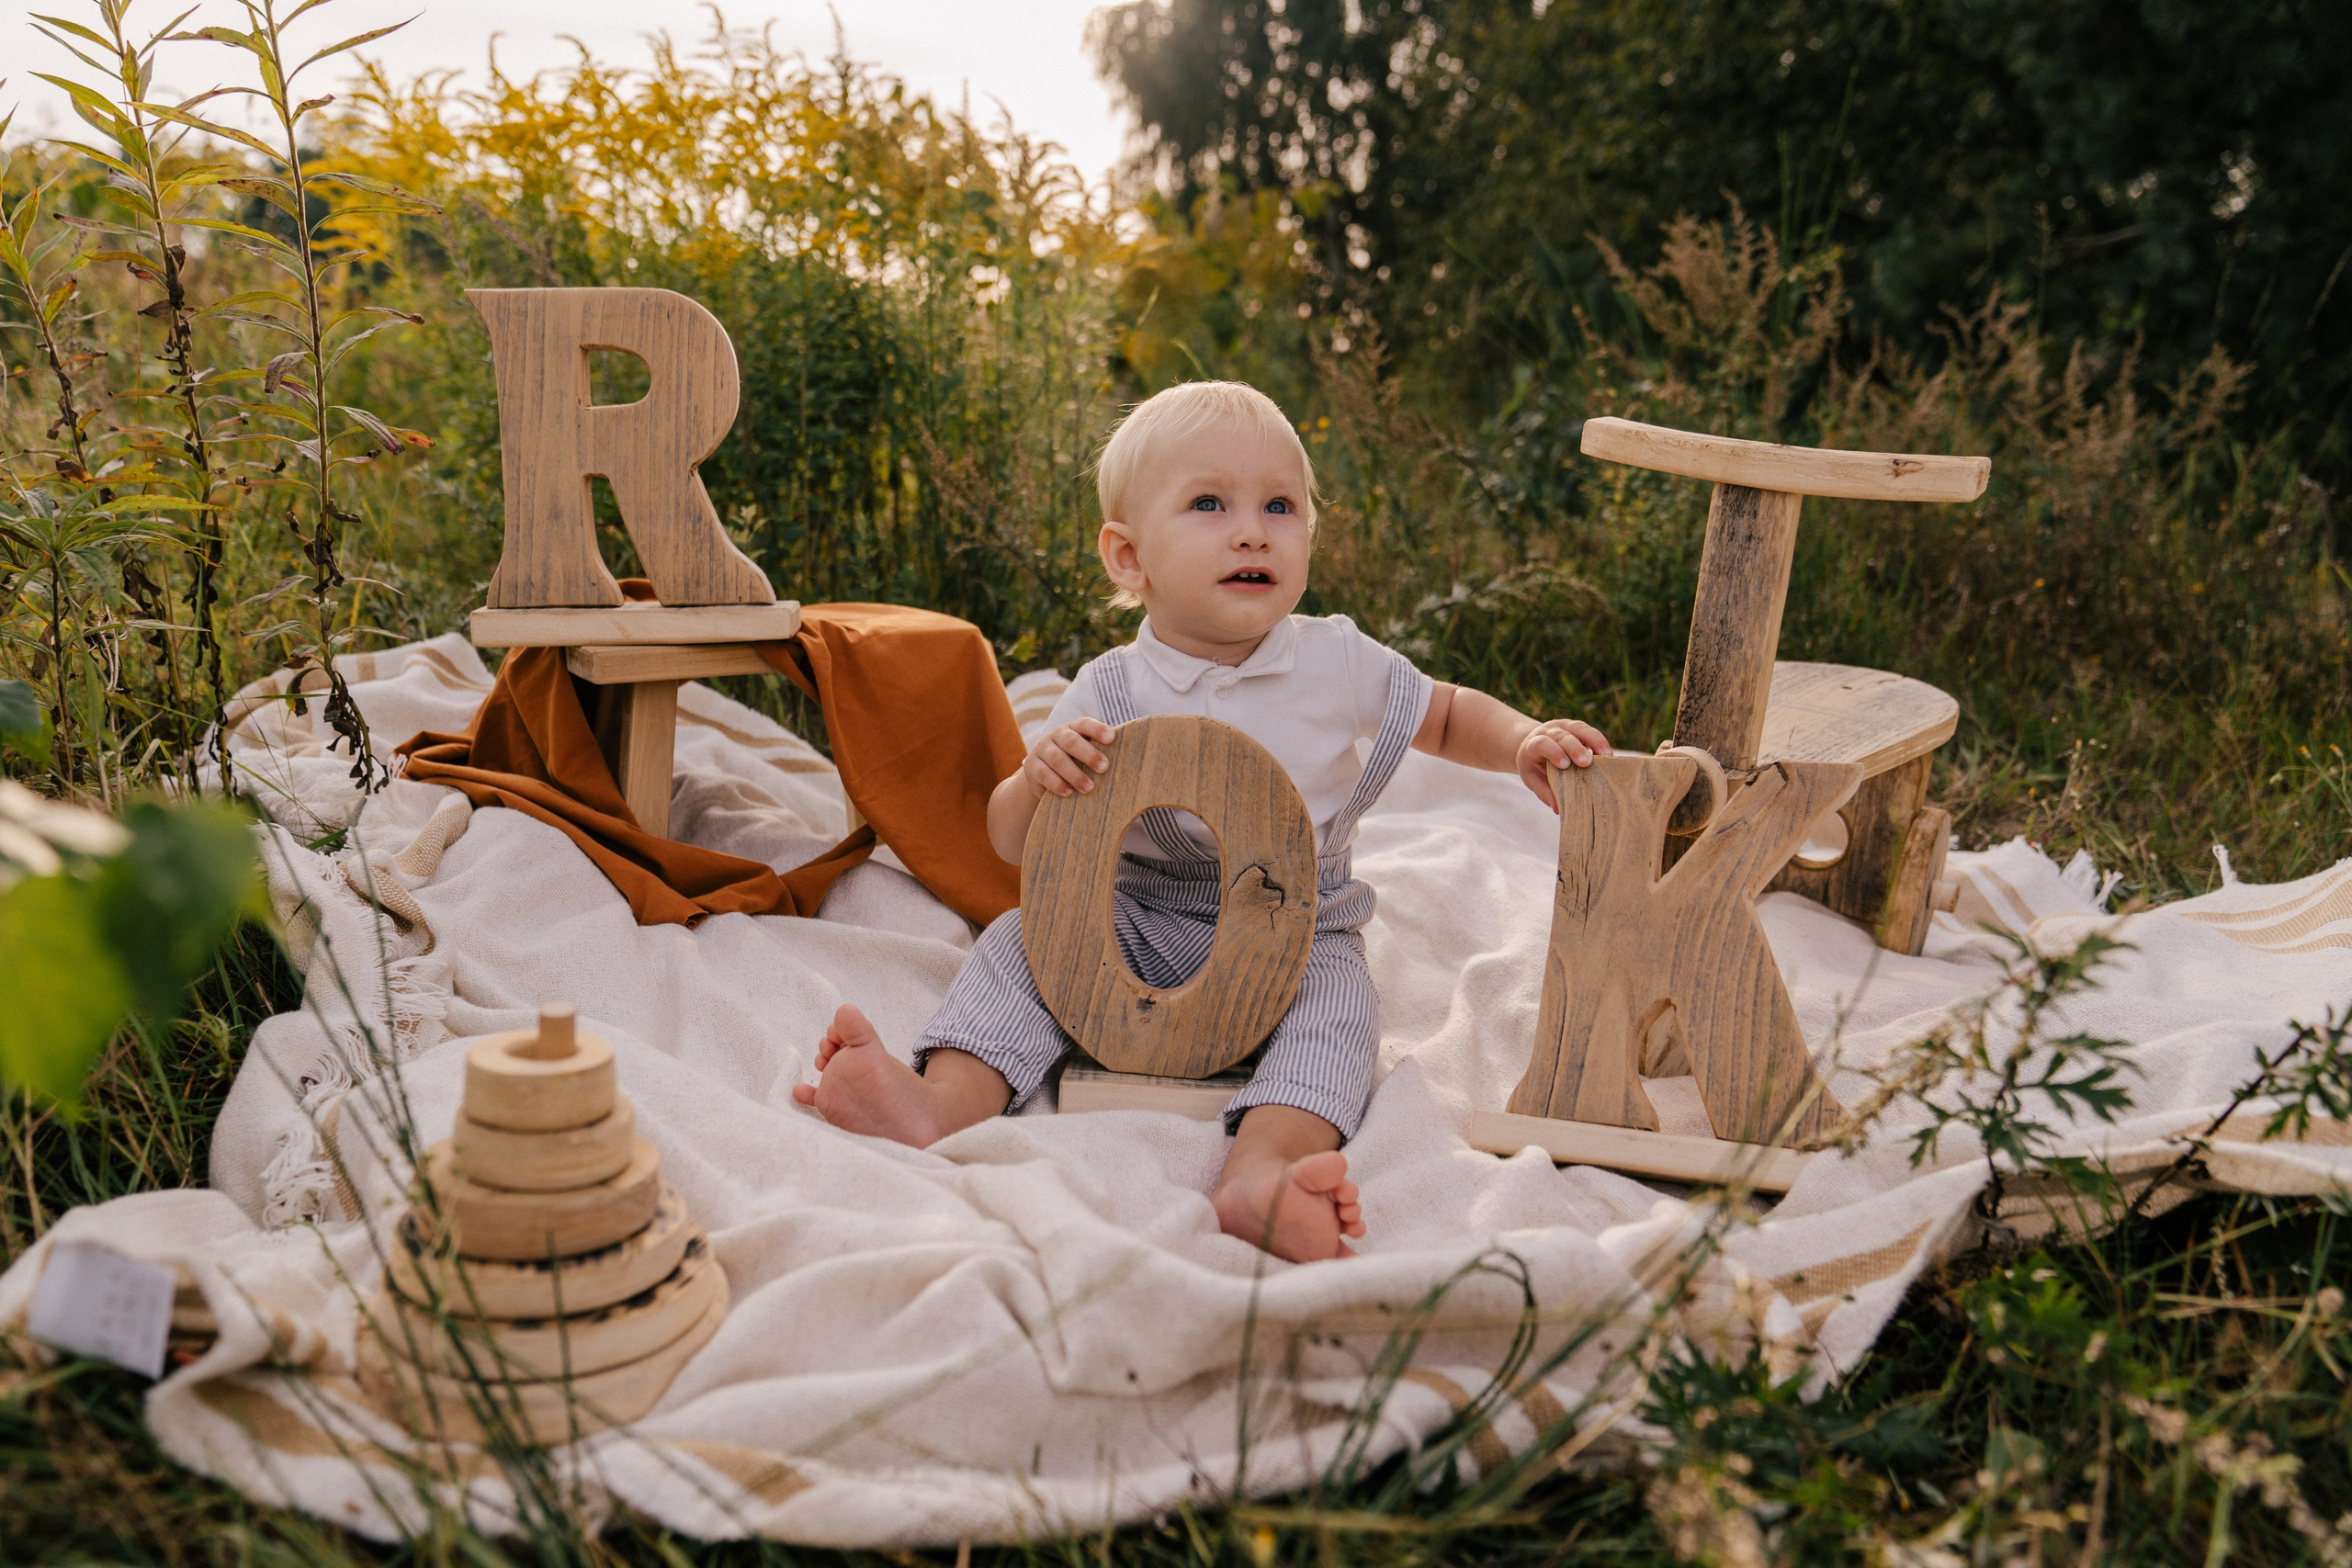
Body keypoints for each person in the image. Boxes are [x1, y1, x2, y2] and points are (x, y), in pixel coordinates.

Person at [795, 381, 1611, 1261]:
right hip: (1133, 922)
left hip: (1295, 930)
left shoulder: (1334, 658)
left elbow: (1444, 714)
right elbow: (1007, 839)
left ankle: (1261, 1175)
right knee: (1019, 945)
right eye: (1210, 503)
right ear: (1128, 557)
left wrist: (1523, 737)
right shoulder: (1112, 688)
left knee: (1340, 1015)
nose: (1253, 529)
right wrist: (1038, 778)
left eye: (1281, 505)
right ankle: (938, 1102)